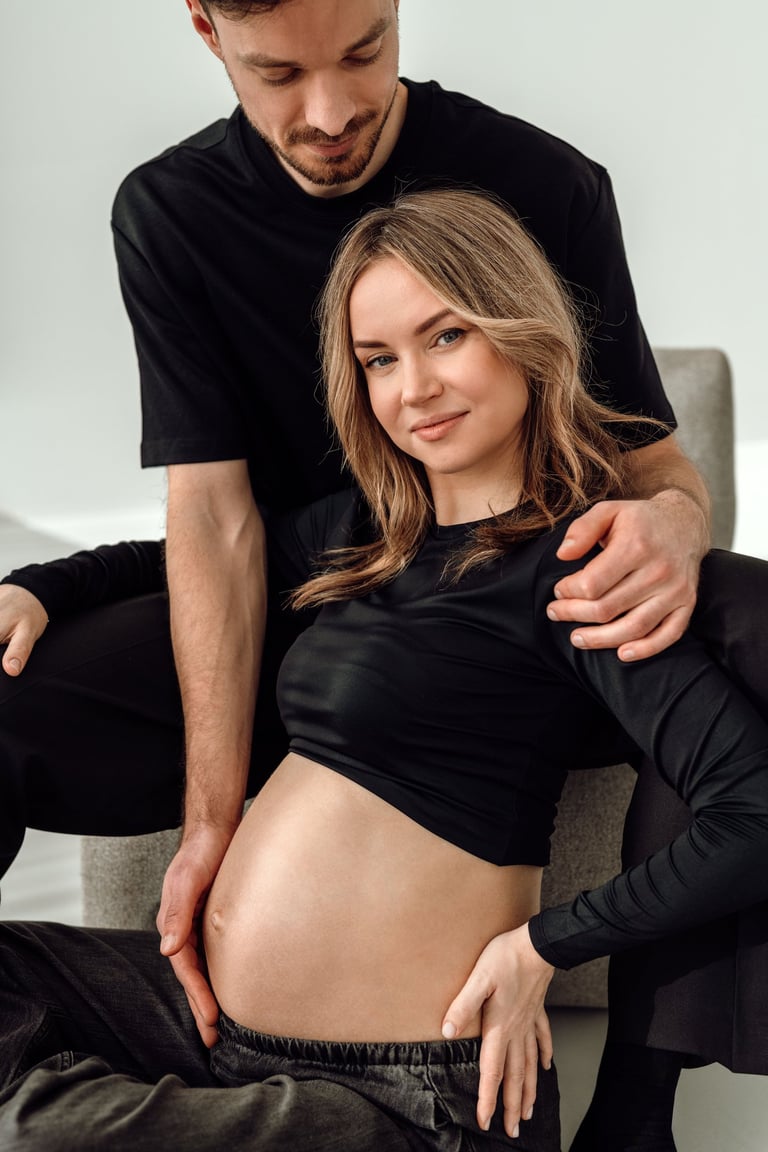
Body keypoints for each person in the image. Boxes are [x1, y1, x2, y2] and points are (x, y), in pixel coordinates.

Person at [0, 0, 759, 1147]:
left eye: (448, 336)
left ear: (523, 332)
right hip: (205, 1025)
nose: (415, 387)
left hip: (406, 1087)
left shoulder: (575, 572)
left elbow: (753, 806)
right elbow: (202, 539)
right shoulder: (368, 531)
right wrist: (43, 585)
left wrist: (543, 946)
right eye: (378, 359)